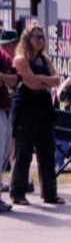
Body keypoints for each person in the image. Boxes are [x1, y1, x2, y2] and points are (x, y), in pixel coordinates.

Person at [10, 25, 64, 205]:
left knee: (48, 151)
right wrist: (45, 81)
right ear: (28, 39)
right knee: (23, 152)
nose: (40, 40)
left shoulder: (44, 59)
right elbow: (31, 83)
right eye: (36, 37)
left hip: (44, 106)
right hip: (27, 107)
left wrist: (43, 80)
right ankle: (18, 193)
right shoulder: (21, 59)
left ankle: (50, 193)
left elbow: (57, 80)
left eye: (42, 37)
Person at [0, 30, 20, 211]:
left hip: (4, 107)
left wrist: (1, 77)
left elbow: (15, 79)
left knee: (4, 153)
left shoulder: (3, 56)